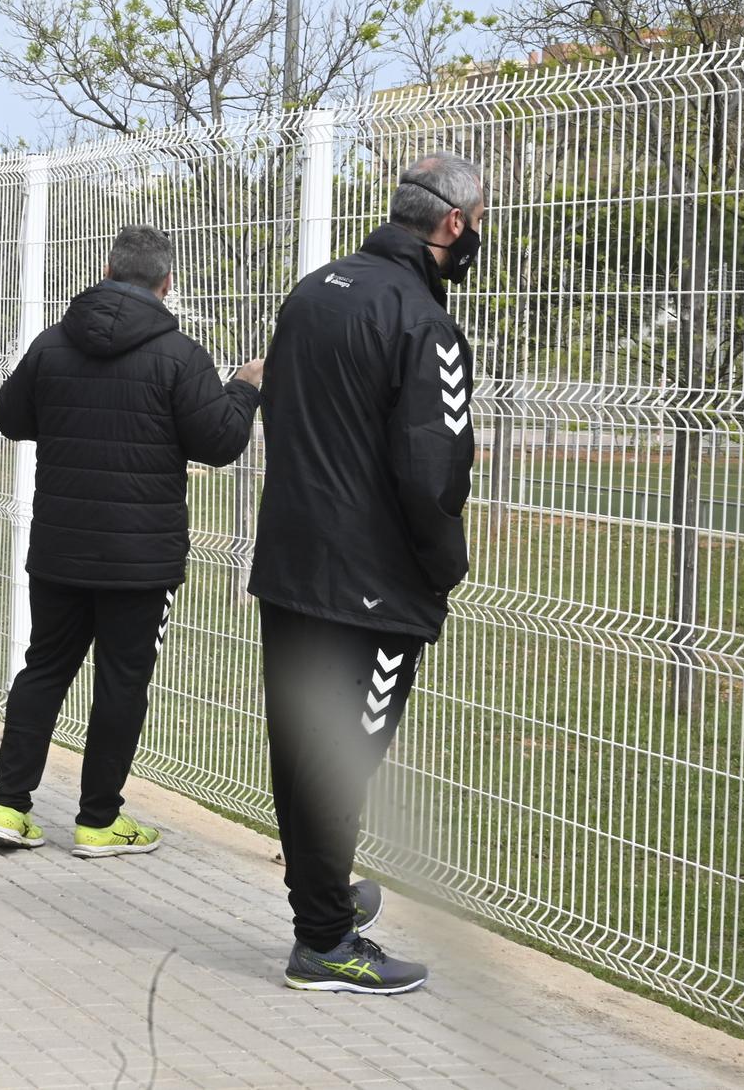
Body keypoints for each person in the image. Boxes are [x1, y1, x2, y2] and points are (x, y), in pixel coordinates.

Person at [253, 152, 485, 996]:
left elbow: (280, 407)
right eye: (476, 220)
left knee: (304, 746)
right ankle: (324, 938)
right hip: (373, 586)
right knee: (343, 755)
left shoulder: (312, 291)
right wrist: (444, 568)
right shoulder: (426, 323)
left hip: (290, 565)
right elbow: (435, 471)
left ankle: (325, 895)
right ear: (452, 223)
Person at [0, 226, 263, 858]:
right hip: (140, 560)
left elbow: (8, 417)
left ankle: (9, 806)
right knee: (121, 682)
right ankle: (98, 820)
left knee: (44, 669)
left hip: (59, 548)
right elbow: (219, 444)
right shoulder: (180, 355)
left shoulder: (52, 344)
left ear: (107, 271)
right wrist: (244, 388)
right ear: (167, 284)